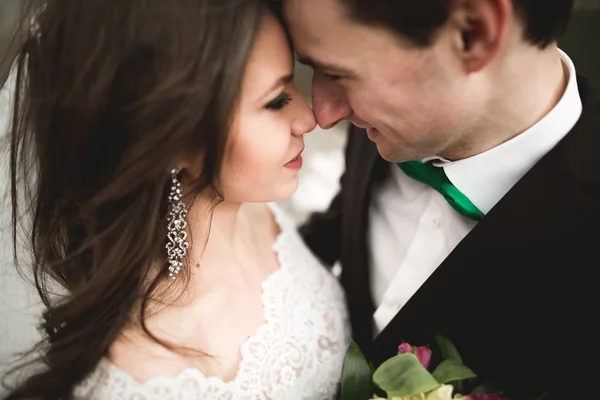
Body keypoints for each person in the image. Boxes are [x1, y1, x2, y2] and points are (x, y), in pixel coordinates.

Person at [4, 0, 349, 399]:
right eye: (275, 101)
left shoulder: (260, 206)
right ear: (173, 140)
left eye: (292, 83)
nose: (310, 117)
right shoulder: (143, 378)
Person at [277, 0, 600, 398]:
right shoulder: (386, 127)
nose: (323, 114)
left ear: (472, 32)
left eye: (338, 73)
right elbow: (339, 226)